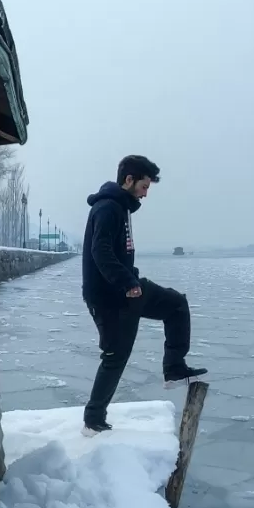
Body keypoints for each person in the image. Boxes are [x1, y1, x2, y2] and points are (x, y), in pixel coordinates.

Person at [81, 154, 205, 433]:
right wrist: (127, 282)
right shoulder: (108, 208)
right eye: (144, 186)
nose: (146, 194)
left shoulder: (121, 207)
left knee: (176, 304)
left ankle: (174, 369)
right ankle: (93, 421)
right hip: (109, 297)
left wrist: (130, 278)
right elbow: (99, 252)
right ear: (129, 180)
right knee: (115, 356)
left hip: (127, 289)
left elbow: (116, 253)